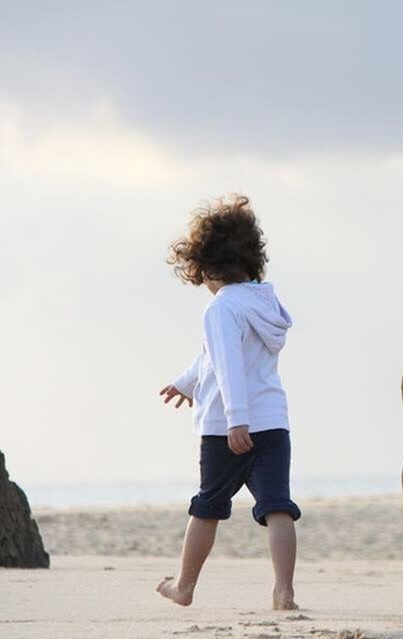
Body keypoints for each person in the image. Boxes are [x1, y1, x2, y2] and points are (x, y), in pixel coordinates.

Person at [156, 194, 300, 611]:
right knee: (278, 507)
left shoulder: (221, 308)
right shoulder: (266, 302)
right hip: (273, 422)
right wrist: (186, 382)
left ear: (210, 266)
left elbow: (229, 366)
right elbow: (213, 356)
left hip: (226, 428)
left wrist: (237, 420)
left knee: (207, 507)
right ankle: (284, 592)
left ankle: (184, 587)